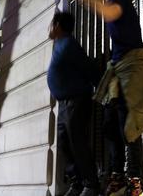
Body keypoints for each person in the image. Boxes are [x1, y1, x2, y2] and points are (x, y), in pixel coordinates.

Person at [91, 0, 143, 196]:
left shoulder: (120, 0)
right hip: (117, 67)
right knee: (110, 125)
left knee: (129, 125)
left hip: (131, 65)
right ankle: (117, 175)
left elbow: (112, 13)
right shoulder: (110, 2)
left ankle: (135, 180)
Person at [47, 12, 100, 196]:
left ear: (58, 25)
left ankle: (91, 184)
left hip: (77, 100)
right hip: (64, 103)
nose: (49, 28)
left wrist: (100, 87)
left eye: (51, 24)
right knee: (63, 144)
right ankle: (76, 182)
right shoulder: (59, 45)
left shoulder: (69, 44)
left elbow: (88, 67)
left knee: (77, 142)